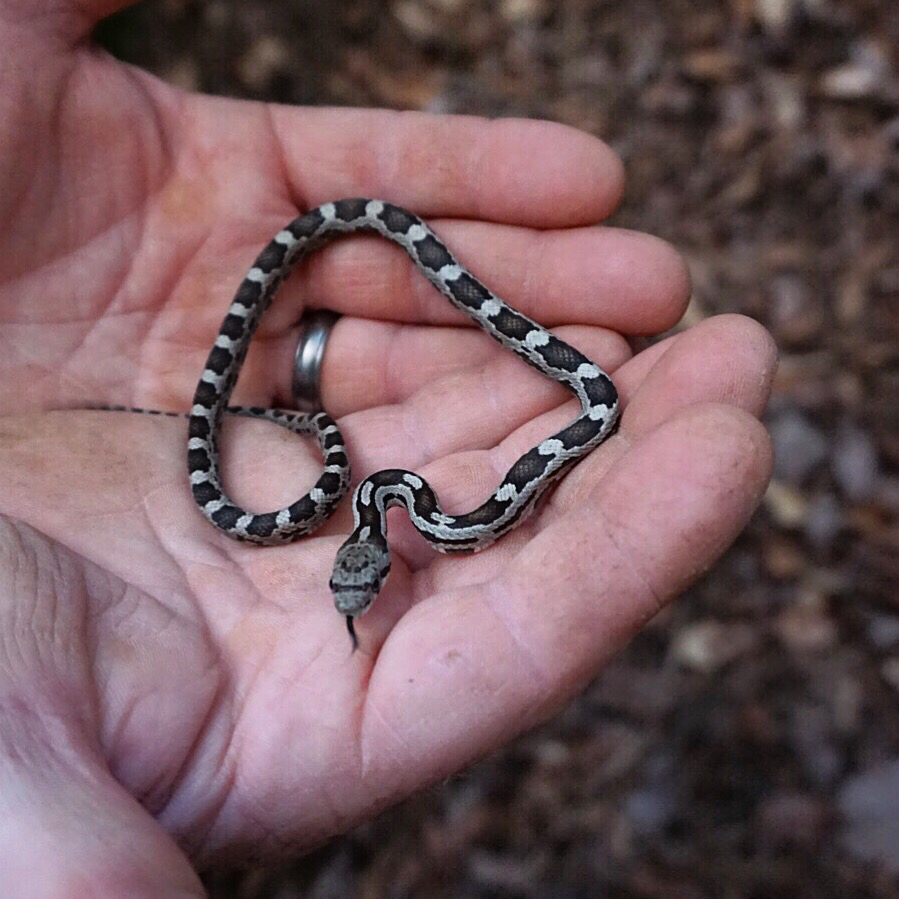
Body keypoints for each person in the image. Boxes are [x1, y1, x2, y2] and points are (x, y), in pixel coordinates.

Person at [0, 1, 776, 893]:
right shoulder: (372, 501)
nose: (353, 591)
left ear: (368, 539)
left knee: (598, 393)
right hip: (318, 416)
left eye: (352, 581)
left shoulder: (395, 500)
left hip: (496, 393)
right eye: (355, 584)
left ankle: (368, 260)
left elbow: (559, 436)